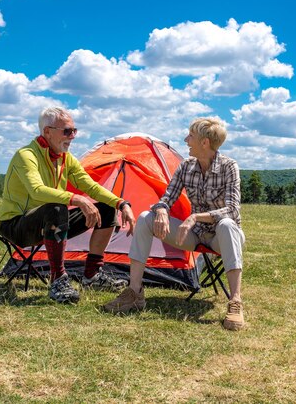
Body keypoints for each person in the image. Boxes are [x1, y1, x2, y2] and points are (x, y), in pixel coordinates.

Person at [104, 117, 246, 330]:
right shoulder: (186, 166)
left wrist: (195, 217)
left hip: (222, 238)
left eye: (191, 136)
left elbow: (232, 210)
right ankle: (135, 293)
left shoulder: (229, 167)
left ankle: (235, 302)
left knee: (226, 224)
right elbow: (167, 197)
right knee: (144, 218)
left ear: (204, 142)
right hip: (194, 235)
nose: (186, 139)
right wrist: (161, 209)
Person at [0, 107, 135, 304]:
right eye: (67, 131)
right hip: (16, 225)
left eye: (74, 131)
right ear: (47, 132)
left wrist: (122, 204)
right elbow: (36, 190)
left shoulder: (66, 158)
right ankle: (58, 279)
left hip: (49, 222)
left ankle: (91, 275)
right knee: (57, 207)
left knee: (105, 209)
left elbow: (90, 186)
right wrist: (77, 199)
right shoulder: (26, 156)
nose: (72, 136)